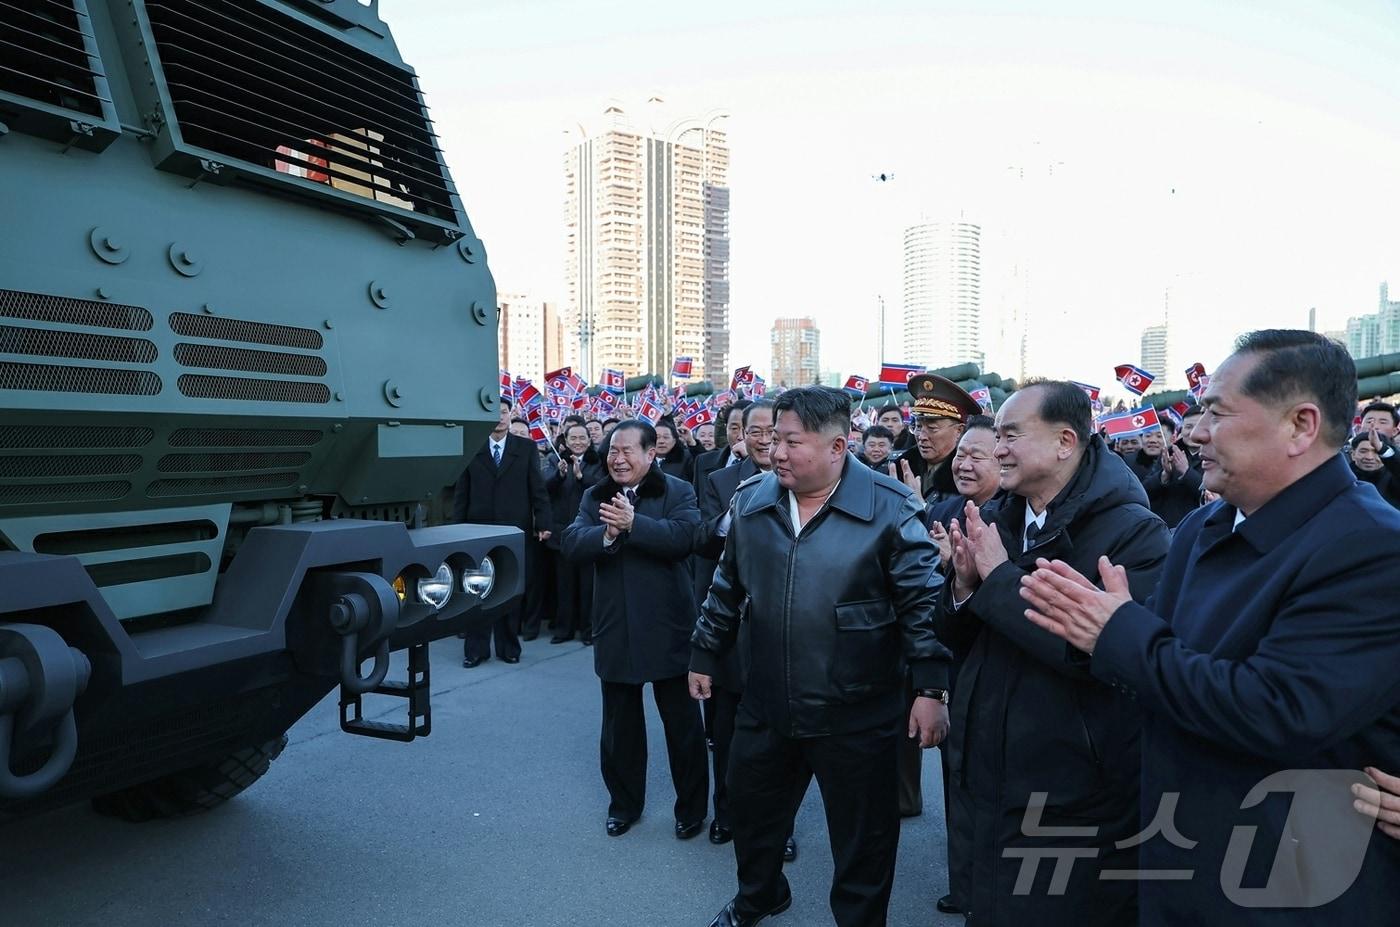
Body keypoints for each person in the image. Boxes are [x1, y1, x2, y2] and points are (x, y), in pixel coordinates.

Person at [1021, 331, 1400, 925]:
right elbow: (1171, 667)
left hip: (1290, 883)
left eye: (1217, 413)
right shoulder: (1205, 527)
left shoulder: (1370, 546)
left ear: (1301, 425)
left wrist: (1118, 633)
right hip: (1181, 857)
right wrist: (1111, 633)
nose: (1195, 432)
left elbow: (1278, 708)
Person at [690, 386, 951, 927]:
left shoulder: (891, 506)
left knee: (864, 837)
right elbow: (727, 586)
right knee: (754, 813)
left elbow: (923, 605)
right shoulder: (753, 500)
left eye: (791, 441)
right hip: (766, 702)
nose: (776, 452)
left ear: (838, 447)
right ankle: (759, 895)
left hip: (858, 711)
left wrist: (929, 689)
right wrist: (705, 651)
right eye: (771, 439)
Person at [941, 379, 1170, 926]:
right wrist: (961, 588)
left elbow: (1091, 654)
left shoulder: (1135, 535)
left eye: (1012, 435)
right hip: (988, 771)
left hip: (1071, 790)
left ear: (1066, 442)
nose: (998, 449)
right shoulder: (1001, 518)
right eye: (996, 435)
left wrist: (995, 580)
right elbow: (954, 636)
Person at [561, 421, 709, 840]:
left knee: (683, 727)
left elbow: (685, 538)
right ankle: (624, 805)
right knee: (619, 727)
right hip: (616, 625)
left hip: (669, 625)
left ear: (650, 455)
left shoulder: (677, 490)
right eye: (613, 451)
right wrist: (605, 534)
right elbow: (572, 542)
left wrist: (633, 526)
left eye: (628, 451)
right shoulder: (595, 494)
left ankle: (692, 809)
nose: (618, 459)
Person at [692, 400, 799, 857]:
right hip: (730, 628)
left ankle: (781, 826)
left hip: (782, 632)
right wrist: (735, 514)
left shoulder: (802, 484)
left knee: (782, 737)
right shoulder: (720, 482)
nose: (762, 440)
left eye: (772, 432)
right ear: (740, 434)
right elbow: (700, 540)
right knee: (726, 729)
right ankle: (726, 811)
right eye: (753, 430)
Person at [922, 415, 997, 918]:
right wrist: (947, 568)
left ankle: (990, 889)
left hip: (999, 669)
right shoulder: (946, 508)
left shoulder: (1013, 517)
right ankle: (964, 883)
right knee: (957, 779)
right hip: (954, 662)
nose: (964, 464)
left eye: (979, 455)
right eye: (961, 455)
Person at [453, 399, 552, 668]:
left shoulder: (526, 447)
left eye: (504, 412)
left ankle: (508, 647)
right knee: (476, 590)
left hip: (513, 531)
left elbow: (537, 490)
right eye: (493, 413)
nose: (499, 417)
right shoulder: (472, 447)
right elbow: (462, 493)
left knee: (509, 590)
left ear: (511, 416)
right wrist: (457, 527)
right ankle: (475, 650)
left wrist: (543, 523)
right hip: (477, 531)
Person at [546, 422, 606, 643]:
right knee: (564, 585)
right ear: (566, 440)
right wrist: (559, 476)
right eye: (574, 438)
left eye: (583, 438)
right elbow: (544, 489)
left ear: (589, 441)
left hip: (590, 532)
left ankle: (588, 630)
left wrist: (581, 477)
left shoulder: (598, 461)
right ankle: (564, 630)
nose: (578, 442)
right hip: (562, 532)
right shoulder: (555, 460)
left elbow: (602, 489)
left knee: (588, 585)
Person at [899, 375, 981, 508]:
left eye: (932, 428)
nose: (922, 436)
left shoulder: (970, 474)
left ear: (959, 431)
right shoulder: (899, 468)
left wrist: (921, 507)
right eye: (918, 427)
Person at [1140, 408, 1205, 528]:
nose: (1192, 432)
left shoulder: (1216, 455)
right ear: (1181, 429)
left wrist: (1187, 472)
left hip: (1198, 525)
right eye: (1188, 427)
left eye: (1198, 426)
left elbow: (1212, 495)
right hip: (1165, 526)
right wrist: (1164, 475)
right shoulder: (1169, 452)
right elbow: (1144, 491)